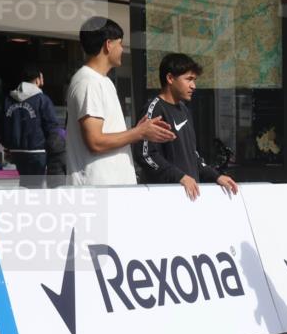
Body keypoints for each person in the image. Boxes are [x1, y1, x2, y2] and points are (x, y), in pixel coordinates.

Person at [65, 17, 175, 186]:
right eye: (120, 43)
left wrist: (138, 130)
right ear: (108, 45)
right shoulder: (88, 82)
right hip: (97, 190)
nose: (122, 49)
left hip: (110, 189)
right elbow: (95, 142)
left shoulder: (103, 81)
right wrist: (139, 132)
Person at [134, 53, 238, 200]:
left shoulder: (183, 109)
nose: (193, 86)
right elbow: (145, 155)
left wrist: (216, 176)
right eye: (188, 79)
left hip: (190, 198)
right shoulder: (154, 109)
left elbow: (192, 155)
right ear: (170, 78)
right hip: (165, 199)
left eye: (194, 80)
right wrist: (180, 177)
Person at [0, 64, 59, 189]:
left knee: (24, 186)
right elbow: (52, 126)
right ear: (37, 79)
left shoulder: (9, 99)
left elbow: (2, 124)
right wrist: (55, 151)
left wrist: (7, 145)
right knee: (35, 190)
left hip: (16, 152)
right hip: (37, 151)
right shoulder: (42, 100)